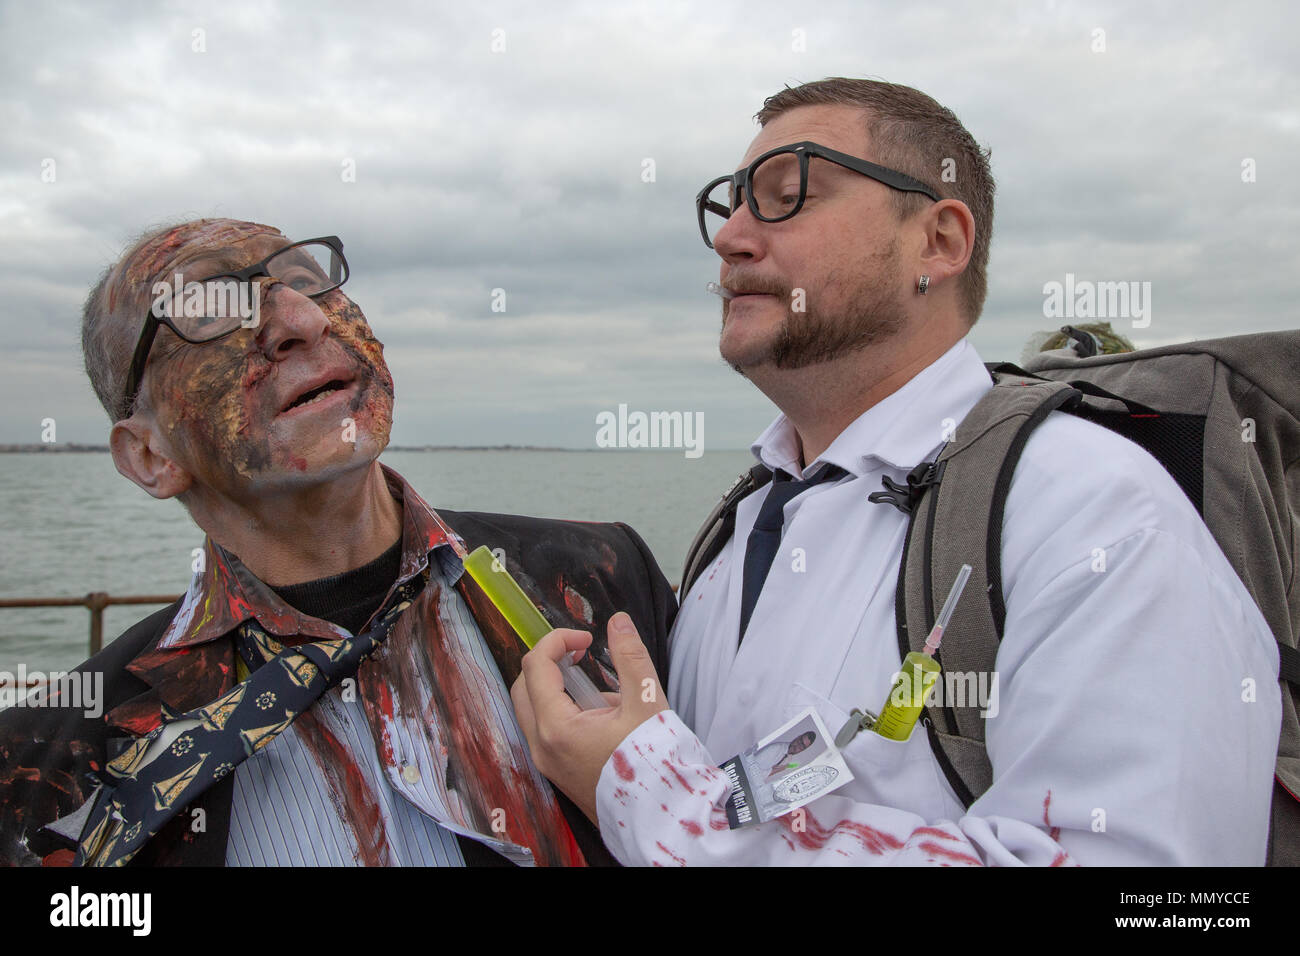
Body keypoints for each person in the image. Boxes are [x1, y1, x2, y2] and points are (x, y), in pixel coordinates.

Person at [511, 78, 1282, 866]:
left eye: (788, 194)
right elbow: (736, 787)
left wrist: (650, 795)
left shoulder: (1095, 515)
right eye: (730, 205)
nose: (732, 238)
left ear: (938, 242)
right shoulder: (743, 527)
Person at [0, 218, 676, 867]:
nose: (302, 318)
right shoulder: (50, 768)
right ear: (149, 455)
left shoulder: (603, 583)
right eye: (209, 309)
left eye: (306, 278)